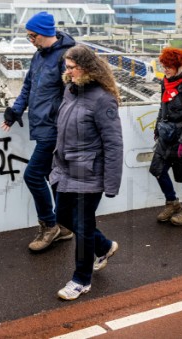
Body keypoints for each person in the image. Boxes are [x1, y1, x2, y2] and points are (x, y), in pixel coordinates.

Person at [50, 45, 123, 300]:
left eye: (71, 68)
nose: (67, 72)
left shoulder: (103, 99)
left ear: (86, 68)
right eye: (66, 67)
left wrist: (111, 184)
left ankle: (81, 280)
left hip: (89, 174)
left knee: (82, 226)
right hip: (65, 168)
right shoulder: (71, 91)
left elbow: (114, 143)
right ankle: (103, 246)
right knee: (62, 216)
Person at [1, 12, 76, 251]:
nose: (30, 40)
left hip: (54, 129)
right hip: (41, 126)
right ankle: (63, 225)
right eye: (28, 36)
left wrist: (64, 125)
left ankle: (50, 225)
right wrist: (15, 111)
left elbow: (74, 95)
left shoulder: (66, 57)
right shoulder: (39, 56)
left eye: (32, 36)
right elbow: (28, 86)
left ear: (44, 33)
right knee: (51, 176)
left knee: (33, 175)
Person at [150, 47, 182, 226]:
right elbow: (162, 106)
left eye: (169, 66)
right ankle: (172, 202)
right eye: (164, 65)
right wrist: (158, 127)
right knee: (158, 169)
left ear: (179, 65)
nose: (165, 69)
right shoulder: (166, 81)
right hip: (167, 136)